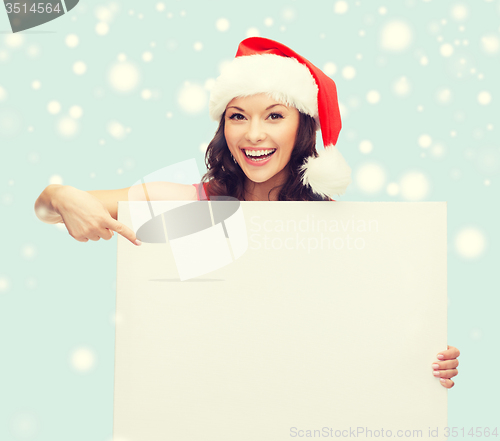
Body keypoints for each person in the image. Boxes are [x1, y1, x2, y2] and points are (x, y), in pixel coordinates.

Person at [34, 37, 460, 387]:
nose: (253, 133)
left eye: (274, 115)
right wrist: (61, 195)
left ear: (302, 127)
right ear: (224, 127)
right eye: (238, 116)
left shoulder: (338, 229)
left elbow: (373, 332)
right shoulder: (189, 202)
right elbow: (48, 209)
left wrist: (428, 362)